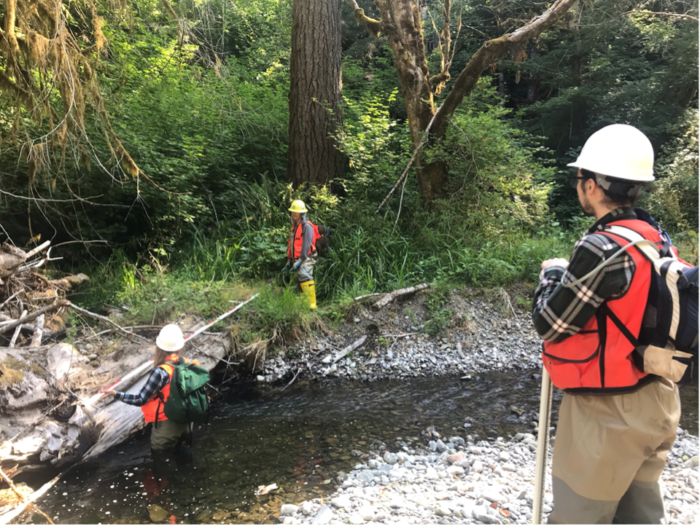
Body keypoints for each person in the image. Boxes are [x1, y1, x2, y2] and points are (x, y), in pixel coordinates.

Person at [532, 124, 686, 525]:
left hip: (607, 412)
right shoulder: (656, 238)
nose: (578, 185)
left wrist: (552, 275)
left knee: (580, 517)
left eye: (580, 178)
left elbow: (550, 323)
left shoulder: (601, 246)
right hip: (658, 398)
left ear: (595, 187)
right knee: (639, 516)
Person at [101, 324, 199, 454]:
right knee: (184, 457)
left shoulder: (160, 372)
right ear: (180, 347)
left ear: (160, 347)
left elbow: (140, 399)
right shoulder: (185, 363)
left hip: (167, 425)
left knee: (160, 463)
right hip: (187, 422)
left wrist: (115, 393)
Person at [285, 199, 318, 309]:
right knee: (297, 280)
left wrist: (300, 260)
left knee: (304, 274)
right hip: (296, 258)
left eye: (296, 211)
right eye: (292, 211)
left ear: (302, 213)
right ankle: (302, 305)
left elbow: (307, 245)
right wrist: (289, 260)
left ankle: (312, 305)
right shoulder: (294, 227)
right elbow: (292, 245)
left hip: (307, 256)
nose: (294, 213)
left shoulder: (307, 226)